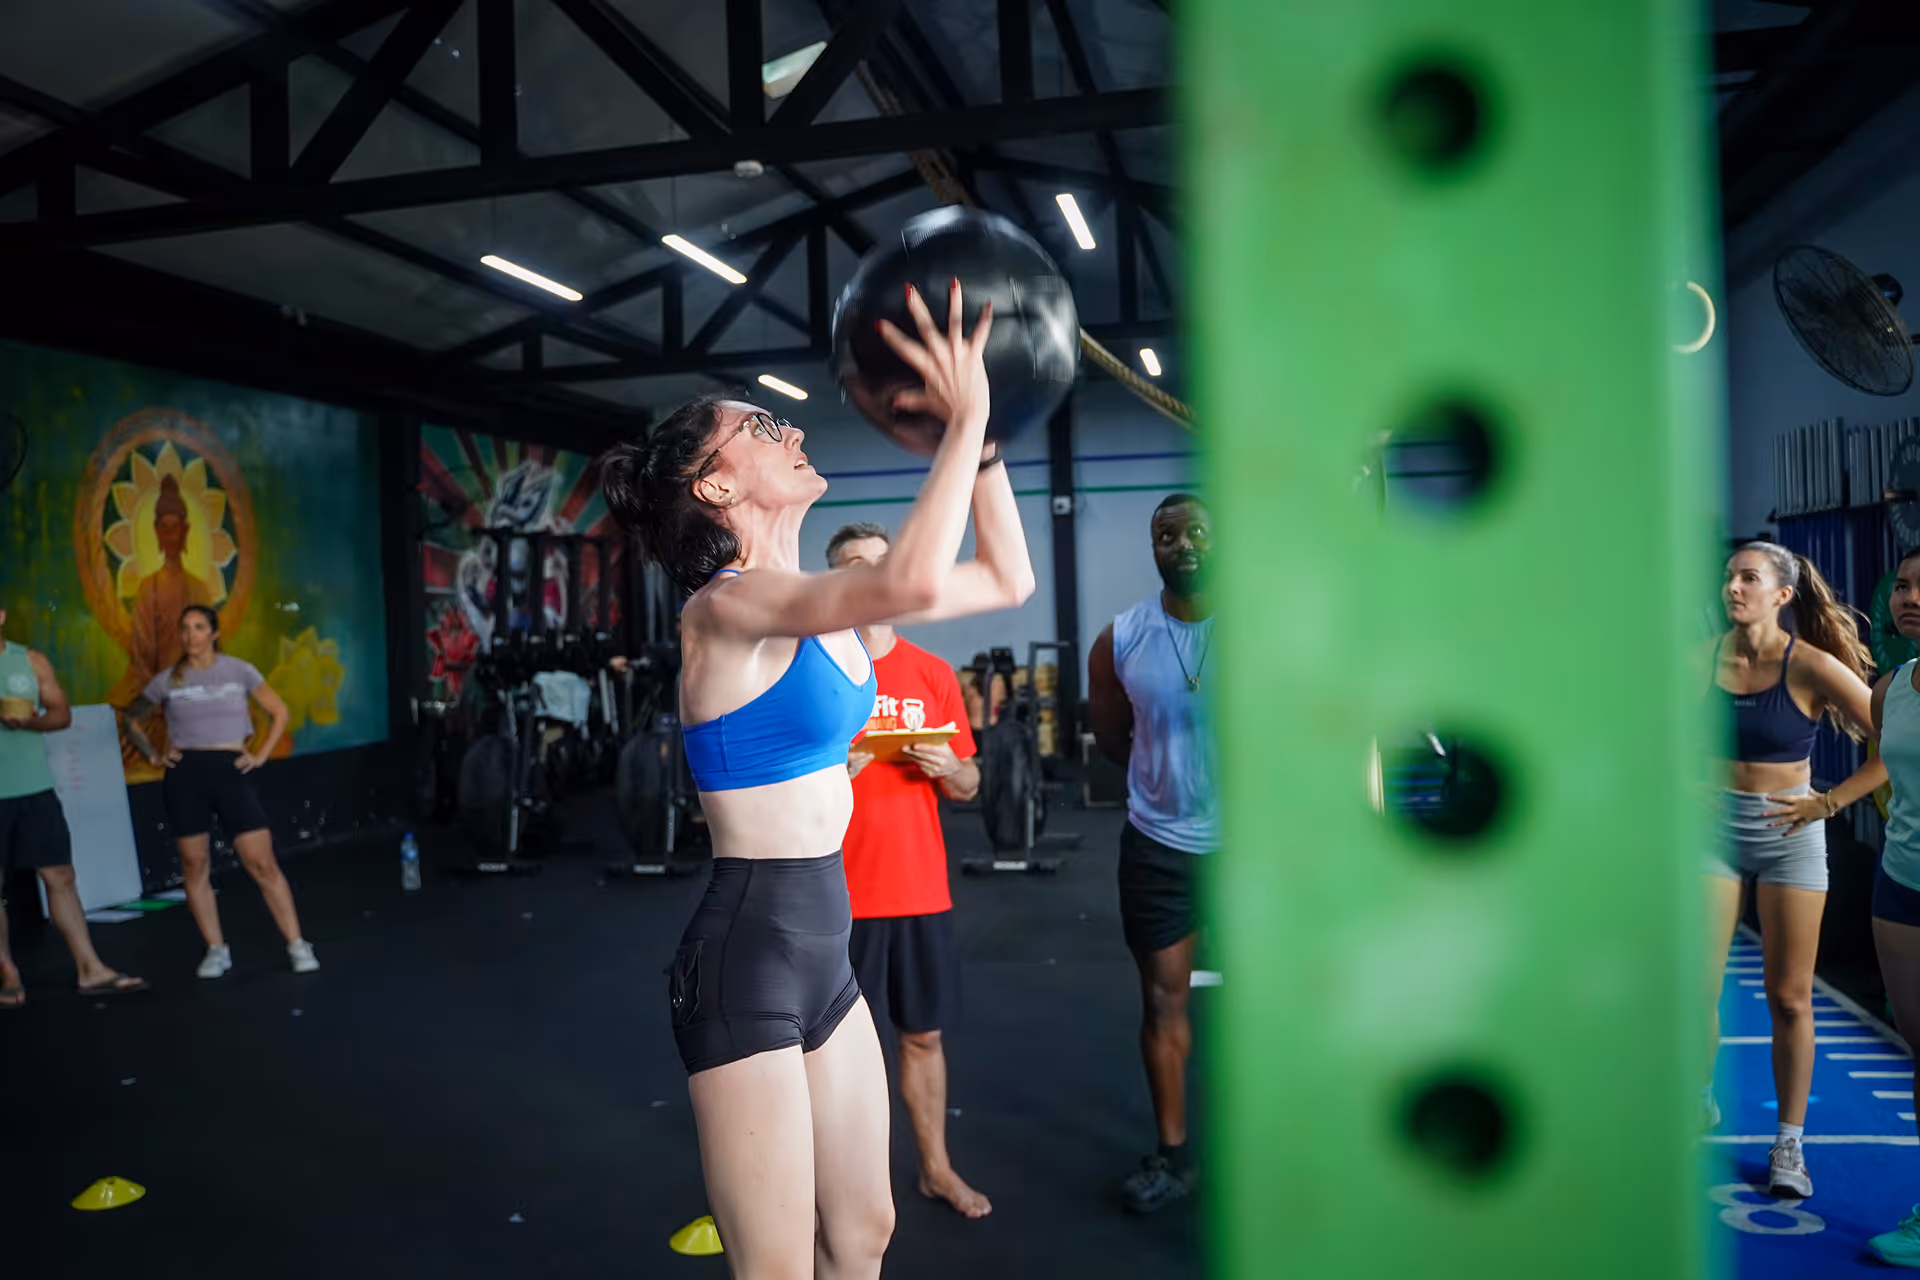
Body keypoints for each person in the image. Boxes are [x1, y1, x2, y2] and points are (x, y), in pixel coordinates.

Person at [597, 281, 1030, 1277]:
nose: (788, 425)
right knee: (781, 1266)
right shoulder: (724, 607)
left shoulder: (815, 609)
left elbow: (1006, 579)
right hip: (746, 952)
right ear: (714, 486)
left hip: (825, 951)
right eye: (760, 424)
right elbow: (915, 579)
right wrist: (957, 419)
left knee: (865, 1230)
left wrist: (990, 441)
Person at [1703, 541, 1884, 1200]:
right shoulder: (1698, 662)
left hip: (1791, 836)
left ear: (1782, 594)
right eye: (1728, 577)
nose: (1732, 588)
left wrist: (1830, 802)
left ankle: (1789, 1144)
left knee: (1789, 996)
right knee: (1696, 987)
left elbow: (1896, 738)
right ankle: (1698, 1097)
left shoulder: (1809, 666)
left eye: (1748, 578)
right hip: (1712, 833)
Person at [830, 521, 991, 1220]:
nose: (869, 575)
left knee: (923, 1035)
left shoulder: (931, 674)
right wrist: (830, 771)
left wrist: (952, 767)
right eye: (853, 566)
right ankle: (848, 1192)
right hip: (836, 896)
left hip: (918, 888)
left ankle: (935, 1169)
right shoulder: (812, 673)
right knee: (839, 1056)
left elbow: (969, 784)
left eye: (879, 564)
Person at [1088, 492, 1218, 1214]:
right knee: (1164, 1002)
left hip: (1255, 852)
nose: (1184, 543)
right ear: (1153, 547)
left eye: (1199, 529)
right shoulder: (1121, 639)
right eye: (1167, 534)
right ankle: (1175, 1156)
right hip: (1160, 846)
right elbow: (1112, 740)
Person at [121, 605, 319, 979]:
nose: (189, 635)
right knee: (195, 865)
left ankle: (296, 943)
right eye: (184, 628)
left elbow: (279, 712)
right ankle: (216, 949)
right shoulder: (168, 679)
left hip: (229, 772)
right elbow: (131, 718)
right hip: (185, 776)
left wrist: (259, 755)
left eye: (198, 627)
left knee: (261, 862)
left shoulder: (239, 670)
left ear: (213, 633)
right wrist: (153, 754)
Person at [0, 608, 148, 1007]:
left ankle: (90, 968)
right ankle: (7, 973)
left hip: (34, 790)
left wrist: (30, 723)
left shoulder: (29, 661)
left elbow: (61, 715)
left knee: (61, 875)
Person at [1862, 546, 1920, 1266]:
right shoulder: (1889, 690)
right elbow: (1888, 776)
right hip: (1900, 885)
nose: (1910, 597)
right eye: (1904, 584)